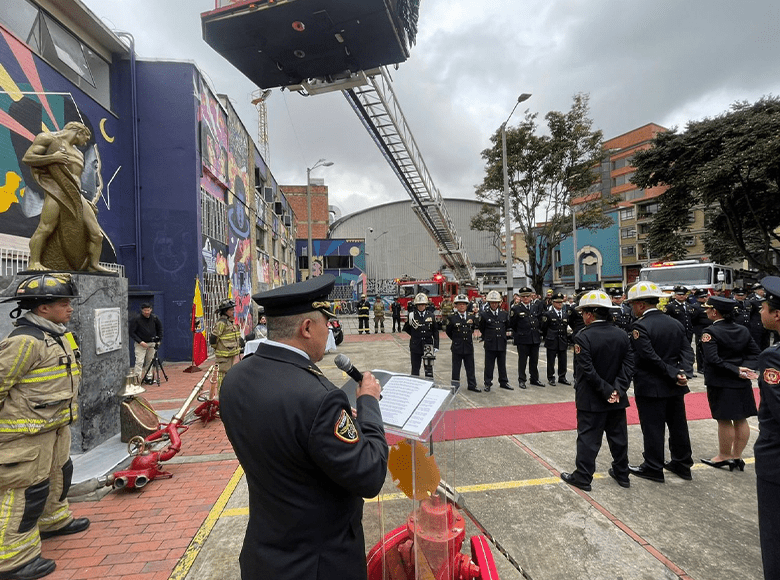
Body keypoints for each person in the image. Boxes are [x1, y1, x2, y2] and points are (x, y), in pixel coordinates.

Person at [219, 274, 387, 580]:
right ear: (307, 328)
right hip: (318, 564)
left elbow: (287, 437)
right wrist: (369, 404)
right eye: (327, 323)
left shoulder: (236, 378)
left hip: (265, 554)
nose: (330, 331)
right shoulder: (318, 399)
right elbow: (370, 474)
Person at [0, 274, 90, 580]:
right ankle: (11, 560)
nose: (70, 309)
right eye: (63, 303)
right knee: (24, 492)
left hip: (54, 427)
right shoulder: (24, 341)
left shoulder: (58, 335)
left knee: (58, 476)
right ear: (42, 309)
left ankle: (54, 520)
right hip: (25, 433)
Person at [560, 290, 635, 491]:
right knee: (618, 438)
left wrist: (606, 390)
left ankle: (583, 477)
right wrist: (617, 390)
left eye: (584, 312)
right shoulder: (622, 334)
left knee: (588, 439)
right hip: (616, 397)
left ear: (590, 314)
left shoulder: (583, 337)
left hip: (592, 397)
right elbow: (628, 365)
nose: (582, 316)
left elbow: (587, 369)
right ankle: (622, 474)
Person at [626, 281, 695, 483]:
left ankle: (653, 466)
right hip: (675, 384)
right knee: (678, 426)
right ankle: (682, 464)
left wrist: (674, 373)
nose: (632, 309)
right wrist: (684, 372)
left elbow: (649, 357)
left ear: (640, 305)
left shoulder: (640, 326)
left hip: (651, 384)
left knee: (653, 428)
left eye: (632, 305)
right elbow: (687, 351)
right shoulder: (675, 322)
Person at [21, 122, 109, 273]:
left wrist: (85, 201)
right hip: (56, 191)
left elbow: (76, 181)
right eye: (85, 138)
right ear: (78, 132)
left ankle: (93, 265)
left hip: (75, 194)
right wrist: (52, 158)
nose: (85, 142)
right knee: (45, 228)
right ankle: (34, 262)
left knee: (96, 234)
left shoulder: (79, 154)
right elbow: (28, 158)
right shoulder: (47, 138)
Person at [699, 296, 760, 471]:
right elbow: (756, 353)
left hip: (721, 382)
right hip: (741, 381)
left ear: (715, 312)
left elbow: (713, 360)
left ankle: (724, 456)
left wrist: (736, 370)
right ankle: (737, 456)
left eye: (708, 308)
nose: (706, 311)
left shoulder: (710, 332)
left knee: (724, 420)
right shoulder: (742, 330)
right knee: (741, 419)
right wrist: (744, 369)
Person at [755, 276, 780, 580]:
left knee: (775, 536)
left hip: (776, 459)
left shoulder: (773, 358)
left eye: (763, 307)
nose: (759, 311)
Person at [510, 287, 543, 389]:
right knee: (522, 361)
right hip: (523, 338)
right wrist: (520, 333)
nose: (525, 298)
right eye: (523, 296)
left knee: (534, 360)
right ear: (520, 297)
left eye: (527, 296)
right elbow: (513, 324)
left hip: (534, 338)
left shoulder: (535, 306)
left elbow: (538, 320)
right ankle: (522, 380)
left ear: (531, 297)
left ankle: (534, 379)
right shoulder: (516, 308)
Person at [479, 290, 512, 391]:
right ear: (489, 303)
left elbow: (506, 326)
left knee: (502, 364)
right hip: (490, 342)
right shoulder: (484, 314)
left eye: (496, 302)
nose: (494, 304)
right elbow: (482, 328)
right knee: (489, 364)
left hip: (501, 342)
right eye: (492, 302)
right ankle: (487, 383)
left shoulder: (504, 314)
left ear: (499, 303)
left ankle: (503, 382)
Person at [209, 299, 244, 393]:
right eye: (231, 310)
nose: (233, 311)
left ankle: (228, 393)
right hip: (224, 355)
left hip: (231, 353)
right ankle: (222, 394)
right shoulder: (222, 323)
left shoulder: (231, 321)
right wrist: (218, 348)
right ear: (225, 311)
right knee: (223, 374)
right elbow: (213, 338)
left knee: (230, 374)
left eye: (233, 309)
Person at [446, 294, 479, 392]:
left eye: (463, 304)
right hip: (457, 346)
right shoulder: (452, 317)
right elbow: (448, 331)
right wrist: (456, 339)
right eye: (459, 304)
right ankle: (455, 386)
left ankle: (472, 385)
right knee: (456, 368)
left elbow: (473, 328)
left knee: (470, 367)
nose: (461, 306)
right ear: (455, 305)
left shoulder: (471, 316)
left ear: (466, 305)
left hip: (468, 346)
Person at [403, 293, 439, 376]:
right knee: (415, 368)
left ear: (426, 305)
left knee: (429, 369)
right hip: (416, 345)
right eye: (419, 305)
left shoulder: (431, 315)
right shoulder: (412, 316)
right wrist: (416, 335)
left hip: (428, 345)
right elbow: (407, 328)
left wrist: (436, 345)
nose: (421, 307)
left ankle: (430, 385)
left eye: (423, 305)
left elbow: (435, 331)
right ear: (416, 305)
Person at [540, 292, 572, 386]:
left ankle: (562, 377)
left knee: (563, 360)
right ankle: (551, 377)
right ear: (553, 303)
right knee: (551, 361)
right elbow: (544, 328)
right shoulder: (548, 314)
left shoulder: (565, 314)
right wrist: (548, 337)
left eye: (561, 302)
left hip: (562, 340)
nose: (559, 304)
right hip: (552, 340)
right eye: (557, 302)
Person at [129, 302, 163, 384]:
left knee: (150, 361)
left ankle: (149, 377)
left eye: (148, 310)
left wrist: (158, 340)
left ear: (151, 310)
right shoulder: (136, 319)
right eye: (145, 310)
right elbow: (131, 332)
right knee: (139, 361)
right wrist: (140, 342)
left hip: (152, 343)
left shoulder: (155, 318)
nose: (147, 312)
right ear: (142, 310)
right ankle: (137, 380)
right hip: (141, 344)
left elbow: (160, 329)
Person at [690, 288, 711, 373]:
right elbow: (693, 319)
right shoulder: (695, 307)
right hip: (700, 330)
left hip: (709, 329)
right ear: (698, 298)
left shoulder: (708, 305)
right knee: (700, 349)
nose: (705, 299)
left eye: (705, 297)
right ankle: (701, 367)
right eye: (702, 297)